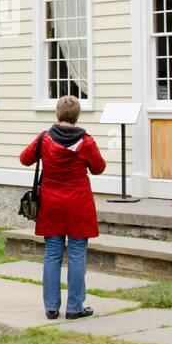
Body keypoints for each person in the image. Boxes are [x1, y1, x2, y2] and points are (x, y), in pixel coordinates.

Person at [19, 95, 106, 320]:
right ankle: (75, 306)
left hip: (51, 203)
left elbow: (24, 159)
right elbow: (98, 168)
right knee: (77, 254)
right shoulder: (86, 142)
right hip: (78, 203)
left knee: (52, 254)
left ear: (58, 114)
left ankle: (51, 307)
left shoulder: (45, 139)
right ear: (77, 116)